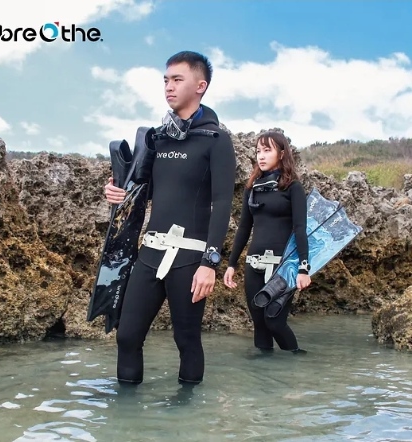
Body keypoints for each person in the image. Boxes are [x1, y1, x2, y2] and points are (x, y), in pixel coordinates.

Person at [104, 51, 236, 385]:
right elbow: (141, 191)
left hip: (190, 258)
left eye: (178, 79)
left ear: (200, 86)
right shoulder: (157, 138)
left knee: (186, 340)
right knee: (127, 336)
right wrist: (117, 193)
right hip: (150, 253)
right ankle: (125, 412)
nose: (169, 87)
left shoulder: (216, 140)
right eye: (166, 80)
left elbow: (222, 203)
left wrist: (210, 263)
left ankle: (187, 413)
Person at [223, 131, 311, 354]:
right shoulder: (252, 188)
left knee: (275, 322)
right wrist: (232, 264)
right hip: (253, 264)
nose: (261, 156)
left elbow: (300, 229)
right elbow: (244, 228)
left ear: (281, 154)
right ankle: (264, 370)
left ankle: (297, 361)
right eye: (258, 151)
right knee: (260, 324)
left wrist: (303, 268)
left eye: (267, 150)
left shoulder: (293, 188)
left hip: (282, 268)